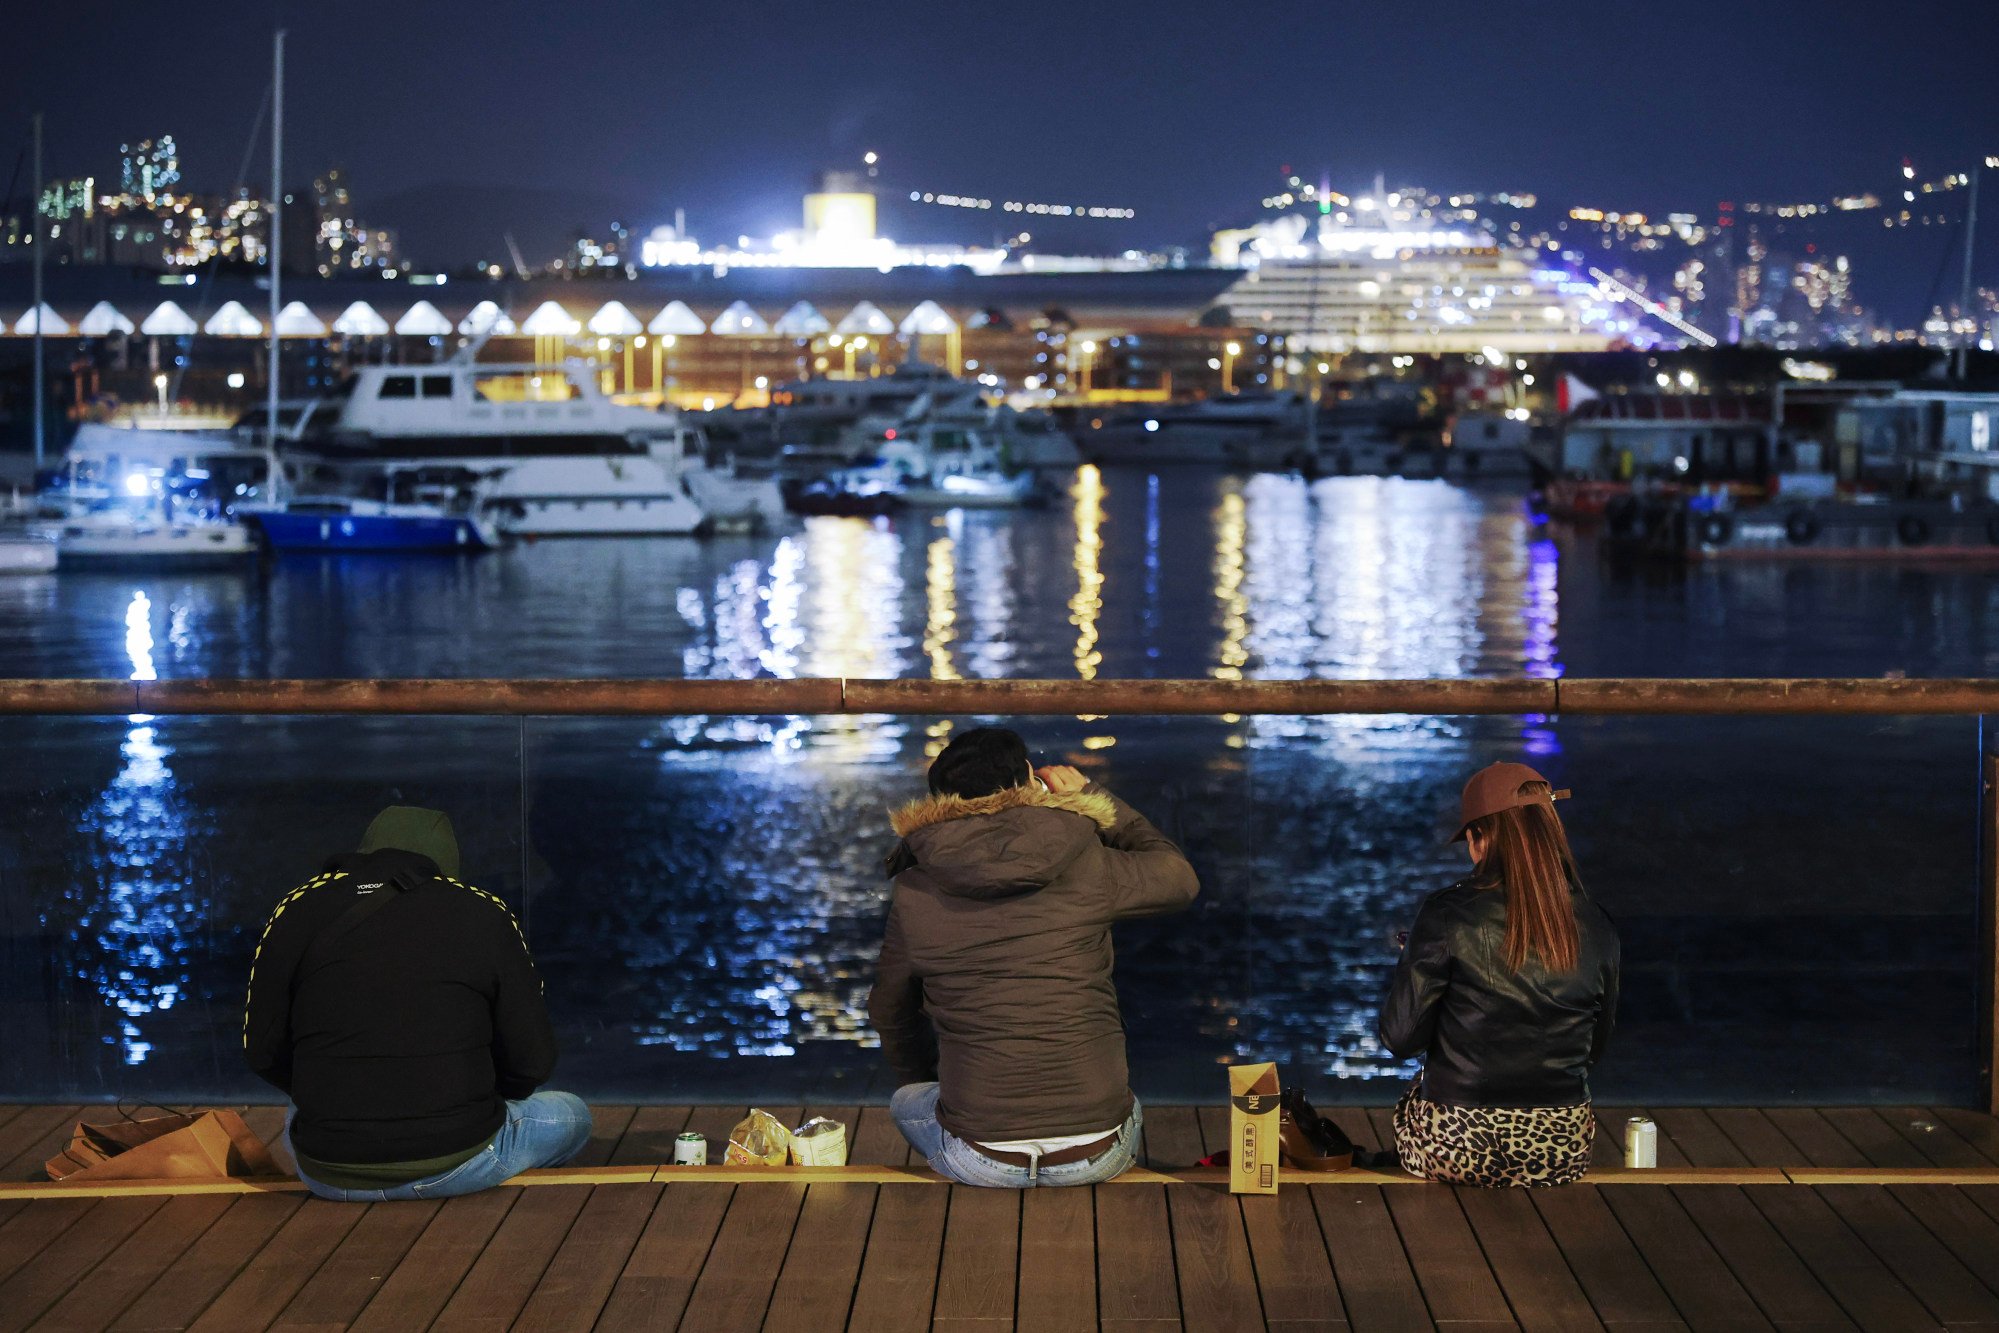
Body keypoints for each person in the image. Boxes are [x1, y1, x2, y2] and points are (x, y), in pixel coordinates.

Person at [869, 727, 1199, 1187]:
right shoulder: (1087, 861)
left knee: (907, 1101)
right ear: (1029, 782)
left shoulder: (915, 889)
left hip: (982, 1158)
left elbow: (890, 1011)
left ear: (940, 803)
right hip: (1099, 1152)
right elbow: (1180, 878)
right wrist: (1093, 794)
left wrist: (944, 1087)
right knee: (1117, 1095)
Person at [243, 805, 590, 1201]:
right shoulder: (481, 912)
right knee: (573, 1114)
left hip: (328, 1170)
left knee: (303, 1107)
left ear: (366, 851)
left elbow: (262, 1053)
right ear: (445, 863)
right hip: (457, 1159)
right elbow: (533, 1062)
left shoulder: (295, 908)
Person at [1378, 762, 1620, 1187]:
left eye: (1470, 839)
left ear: (1480, 836)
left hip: (1457, 1148)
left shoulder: (1447, 914)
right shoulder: (1597, 922)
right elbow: (1594, 1049)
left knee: (1417, 1091)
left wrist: (1414, 960)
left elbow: (1401, 1039)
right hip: (1560, 1150)